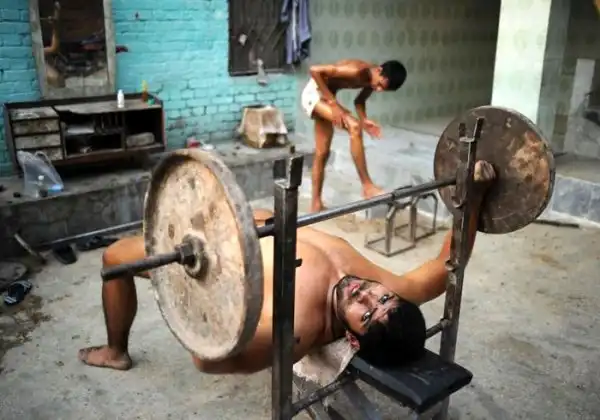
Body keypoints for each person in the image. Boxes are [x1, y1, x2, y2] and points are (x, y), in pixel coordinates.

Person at [78, 161, 496, 372]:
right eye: (382, 298)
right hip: (224, 221)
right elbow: (445, 266)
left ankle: (115, 352)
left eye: (366, 314)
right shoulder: (386, 290)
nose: (366, 294)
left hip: (206, 257)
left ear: (352, 340)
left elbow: (210, 360)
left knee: (114, 259)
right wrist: (474, 196)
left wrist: (203, 287)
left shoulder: (298, 328)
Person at [302, 59, 408, 213]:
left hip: (326, 97)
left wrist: (364, 119)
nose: (378, 89)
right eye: (379, 84)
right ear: (379, 70)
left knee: (322, 153)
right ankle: (367, 186)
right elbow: (314, 70)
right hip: (314, 95)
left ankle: (315, 205)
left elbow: (359, 101)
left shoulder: (371, 80)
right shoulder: (357, 70)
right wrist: (333, 104)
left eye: (382, 89)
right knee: (354, 127)